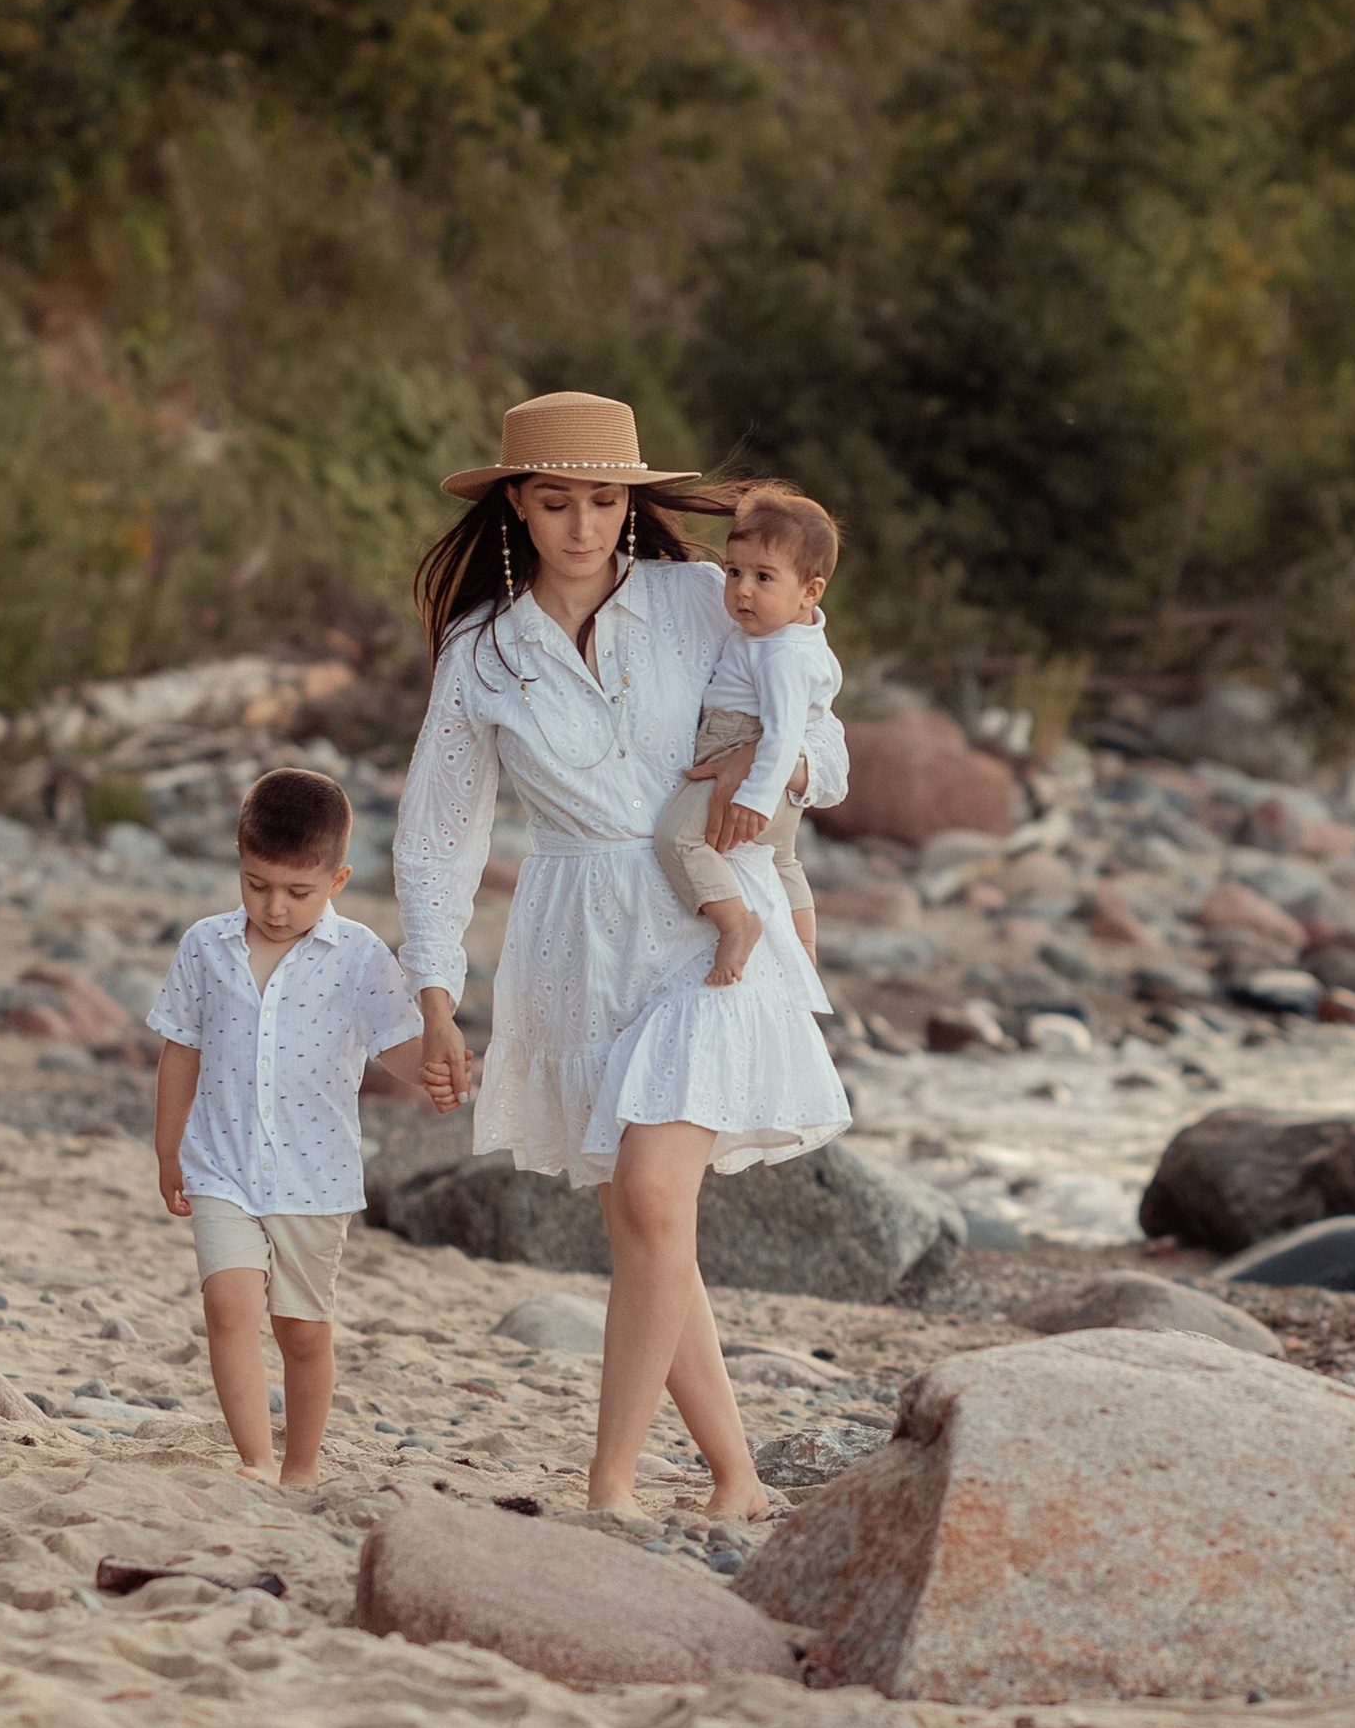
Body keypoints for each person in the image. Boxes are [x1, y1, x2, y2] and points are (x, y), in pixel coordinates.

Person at [394, 392, 849, 1526]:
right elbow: (441, 831)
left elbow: (824, 736)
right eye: (557, 502)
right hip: (573, 939)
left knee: (650, 1198)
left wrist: (767, 774)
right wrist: (437, 1000)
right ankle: (738, 1479)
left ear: (630, 502)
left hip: (707, 920)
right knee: (648, 1223)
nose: (584, 526)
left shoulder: (705, 597)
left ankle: (611, 1482)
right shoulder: (484, 651)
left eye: (605, 501)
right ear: (517, 504)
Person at [150, 766, 422, 1486]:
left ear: (337, 879)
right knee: (228, 1306)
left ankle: (301, 1467)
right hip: (220, 1164)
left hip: (315, 1176)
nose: (274, 907)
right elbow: (180, 1049)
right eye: (255, 883)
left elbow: (397, 1046)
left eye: (297, 892)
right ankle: (254, 1462)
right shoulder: (205, 948)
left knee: (301, 1331)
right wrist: (167, 1148)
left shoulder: (360, 957)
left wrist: (439, 1068)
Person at [651, 482, 841, 983]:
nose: (742, 589)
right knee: (783, 859)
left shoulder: (782, 655)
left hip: (747, 763)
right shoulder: (789, 640)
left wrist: (755, 798)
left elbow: (782, 735)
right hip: (767, 777)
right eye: (734, 572)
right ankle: (803, 950)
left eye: (763, 577)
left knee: (678, 837)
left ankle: (735, 924)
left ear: (810, 591)